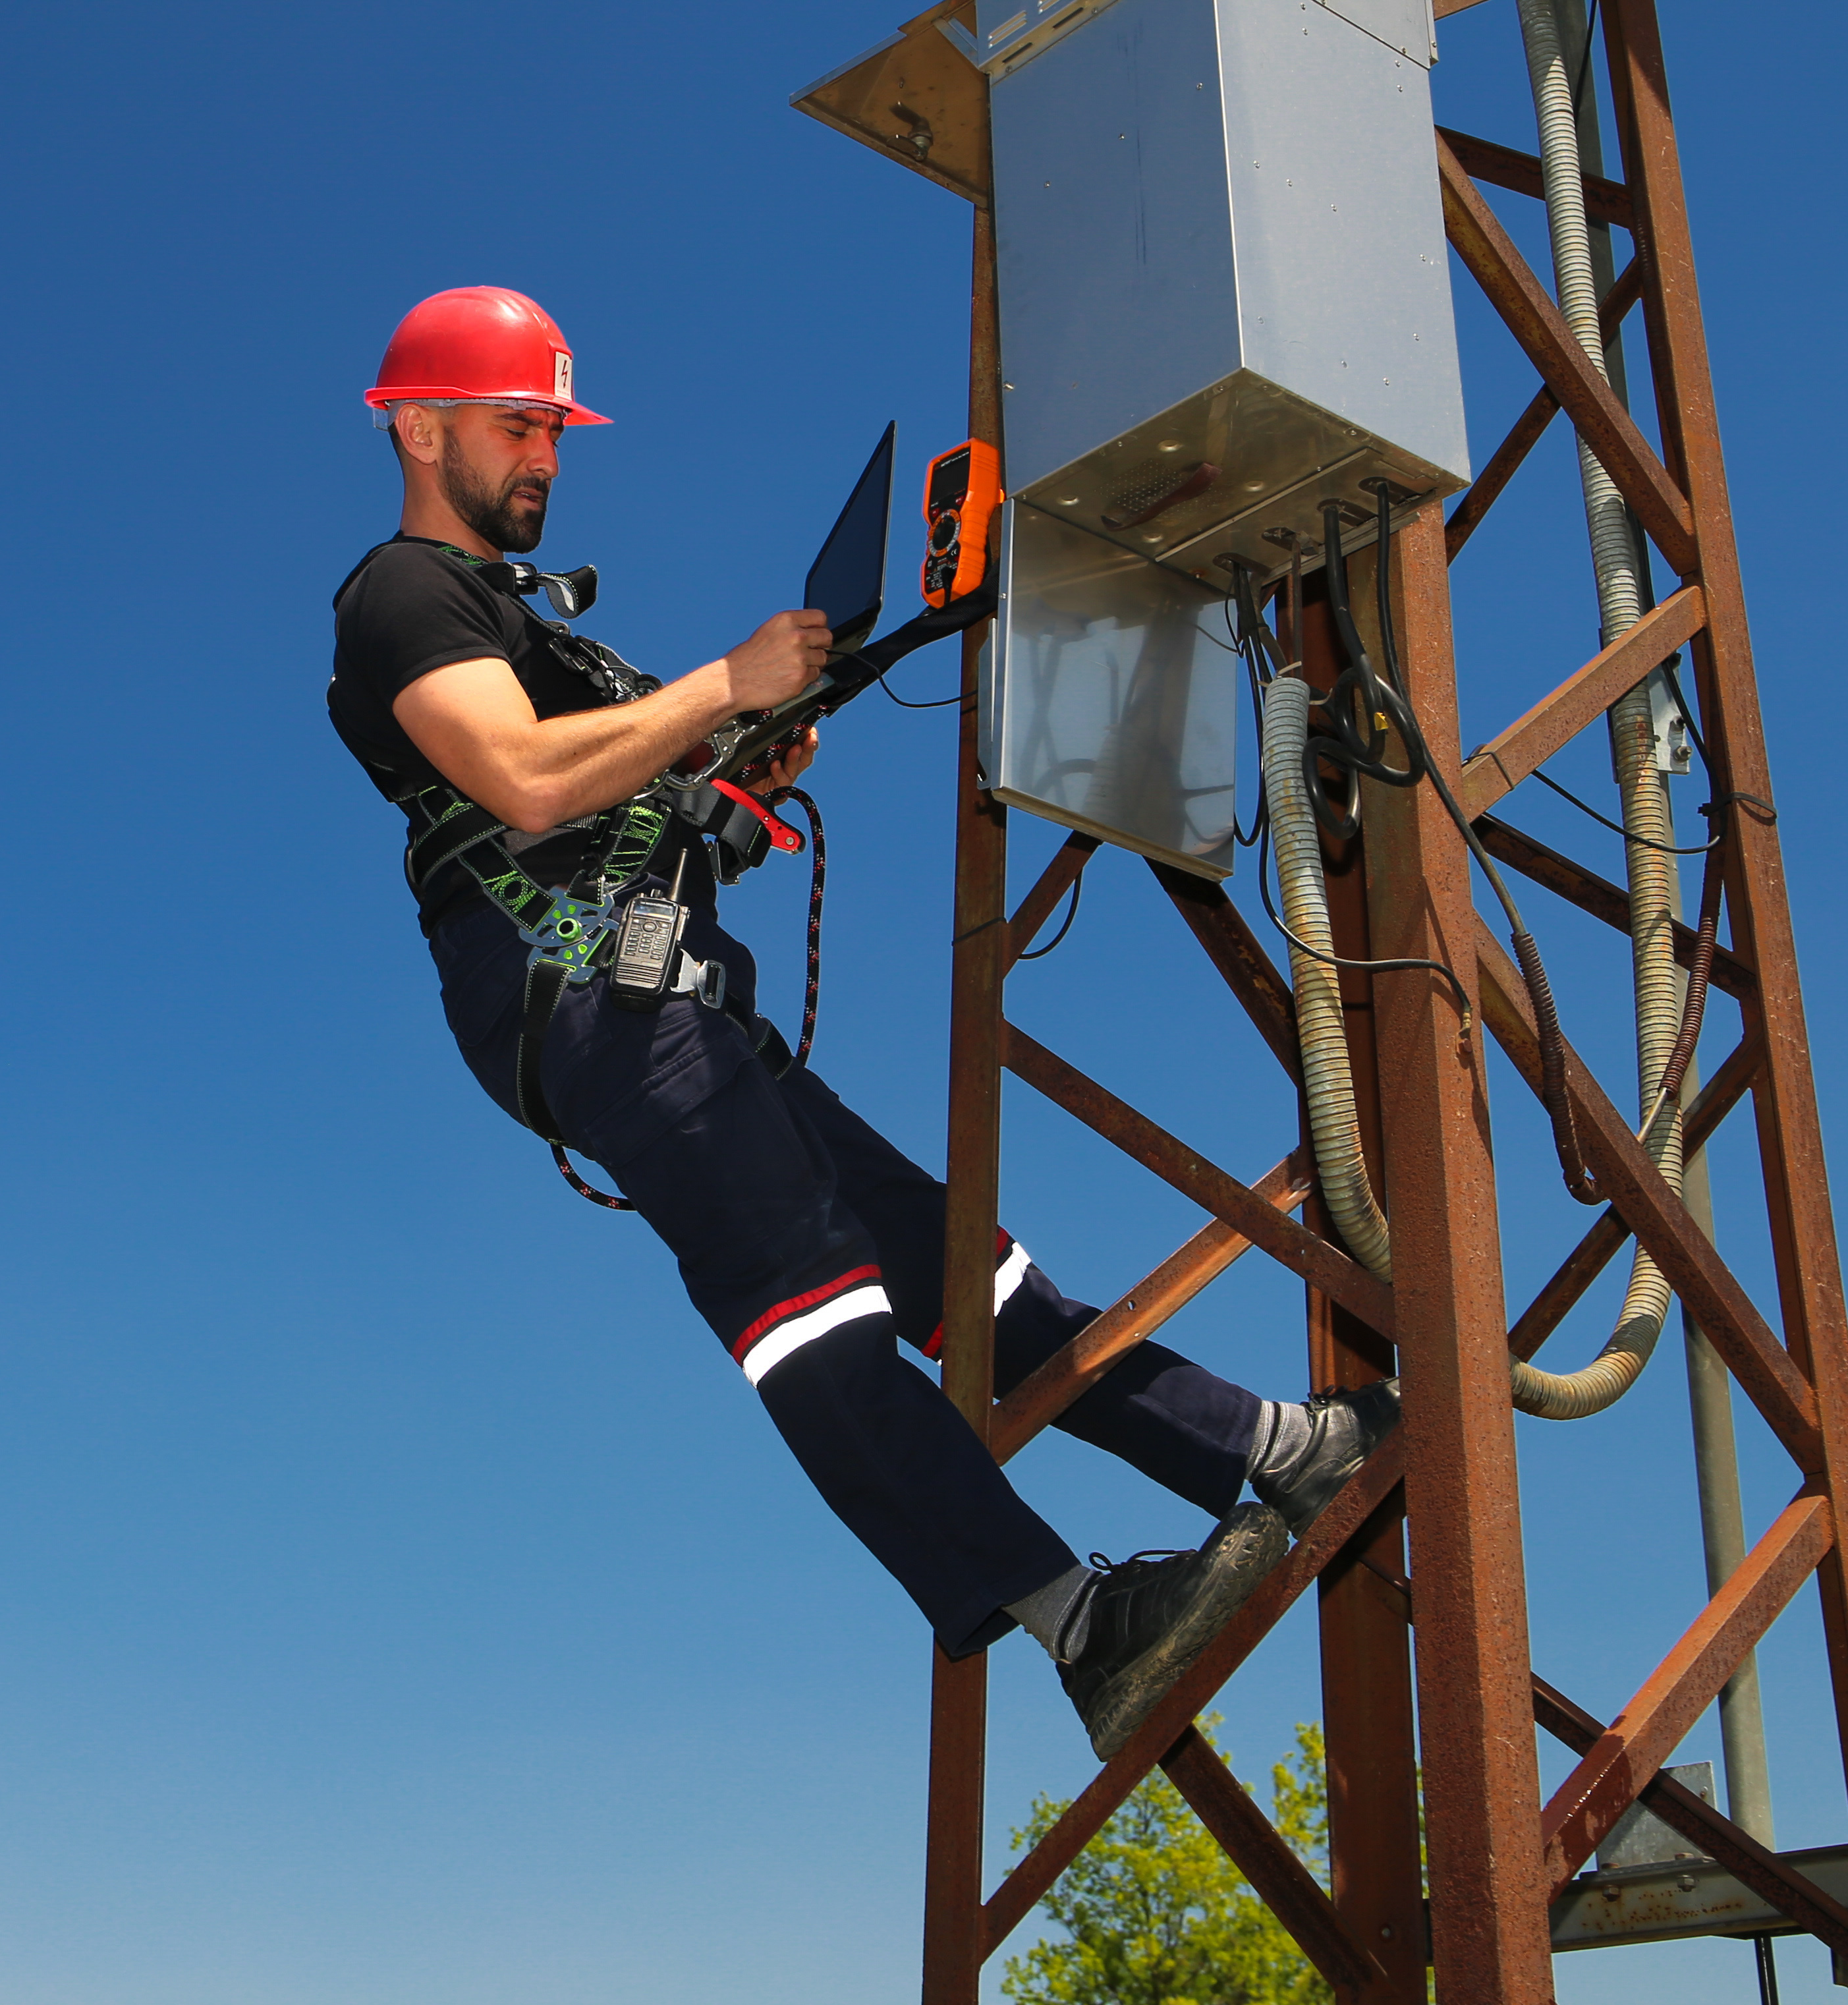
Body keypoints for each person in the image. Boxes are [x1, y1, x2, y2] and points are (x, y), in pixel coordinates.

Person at [325, 285, 1395, 1755]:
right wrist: (725, 683)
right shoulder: (399, 594)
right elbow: (517, 780)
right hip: (604, 1016)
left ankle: (1267, 1450)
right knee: (810, 1311)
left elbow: (612, 797)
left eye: (556, 433)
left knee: (967, 1276)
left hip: (683, 1008)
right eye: (521, 426)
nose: (546, 460)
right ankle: (1077, 1625)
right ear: (421, 422)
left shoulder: (533, 629)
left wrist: (740, 769)